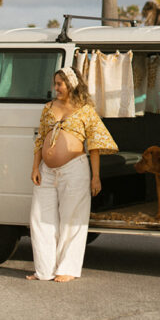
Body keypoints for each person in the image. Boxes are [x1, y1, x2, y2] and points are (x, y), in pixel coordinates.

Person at [28, 66, 117, 282]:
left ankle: (67, 268)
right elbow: (40, 139)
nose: (56, 87)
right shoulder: (48, 108)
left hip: (74, 169)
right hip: (47, 172)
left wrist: (95, 176)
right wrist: (35, 167)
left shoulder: (85, 109)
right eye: (55, 83)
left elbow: (94, 144)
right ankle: (44, 270)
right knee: (39, 218)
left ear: (71, 84)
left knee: (72, 219)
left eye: (60, 83)